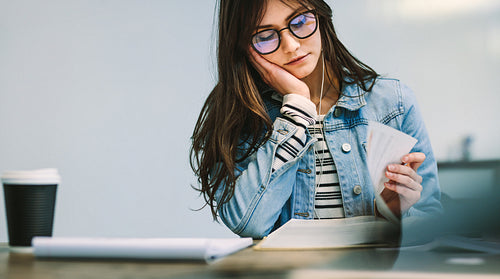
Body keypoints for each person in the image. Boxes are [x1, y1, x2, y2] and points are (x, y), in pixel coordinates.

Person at [190, 0, 442, 238]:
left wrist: (390, 213)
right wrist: (297, 107)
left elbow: (432, 220)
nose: (290, 45)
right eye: (265, 37)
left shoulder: (393, 103)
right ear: (244, 47)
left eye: (299, 22)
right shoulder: (239, 116)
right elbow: (248, 223)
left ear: (320, 15)